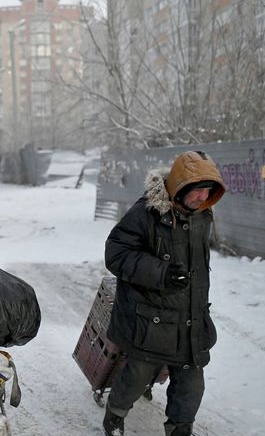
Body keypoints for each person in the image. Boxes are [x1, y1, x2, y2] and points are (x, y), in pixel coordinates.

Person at [102, 150, 226, 436]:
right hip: (150, 318)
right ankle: (115, 415)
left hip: (189, 317)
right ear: (180, 188)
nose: (202, 197)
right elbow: (116, 253)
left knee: (192, 384)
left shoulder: (202, 215)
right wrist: (162, 272)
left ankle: (180, 430)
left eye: (208, 190)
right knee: (137, 375)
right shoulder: (146, 213)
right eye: (197, 191)